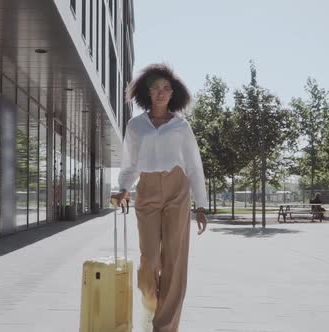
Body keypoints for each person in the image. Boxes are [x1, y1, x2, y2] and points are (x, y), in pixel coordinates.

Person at [110, 63, 208, 332]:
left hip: (178, 189)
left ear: (173, 93)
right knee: (149, 261)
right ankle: (151, 302)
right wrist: (123, 187)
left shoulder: (181, 127)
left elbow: (193, 166)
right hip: (148, 190)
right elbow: (130, 162)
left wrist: (200, 205)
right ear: (147, 92)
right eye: (156, 88)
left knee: (174, 262)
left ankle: (164, 327)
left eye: (166, 88)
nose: (161, 92)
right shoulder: (136, 125)